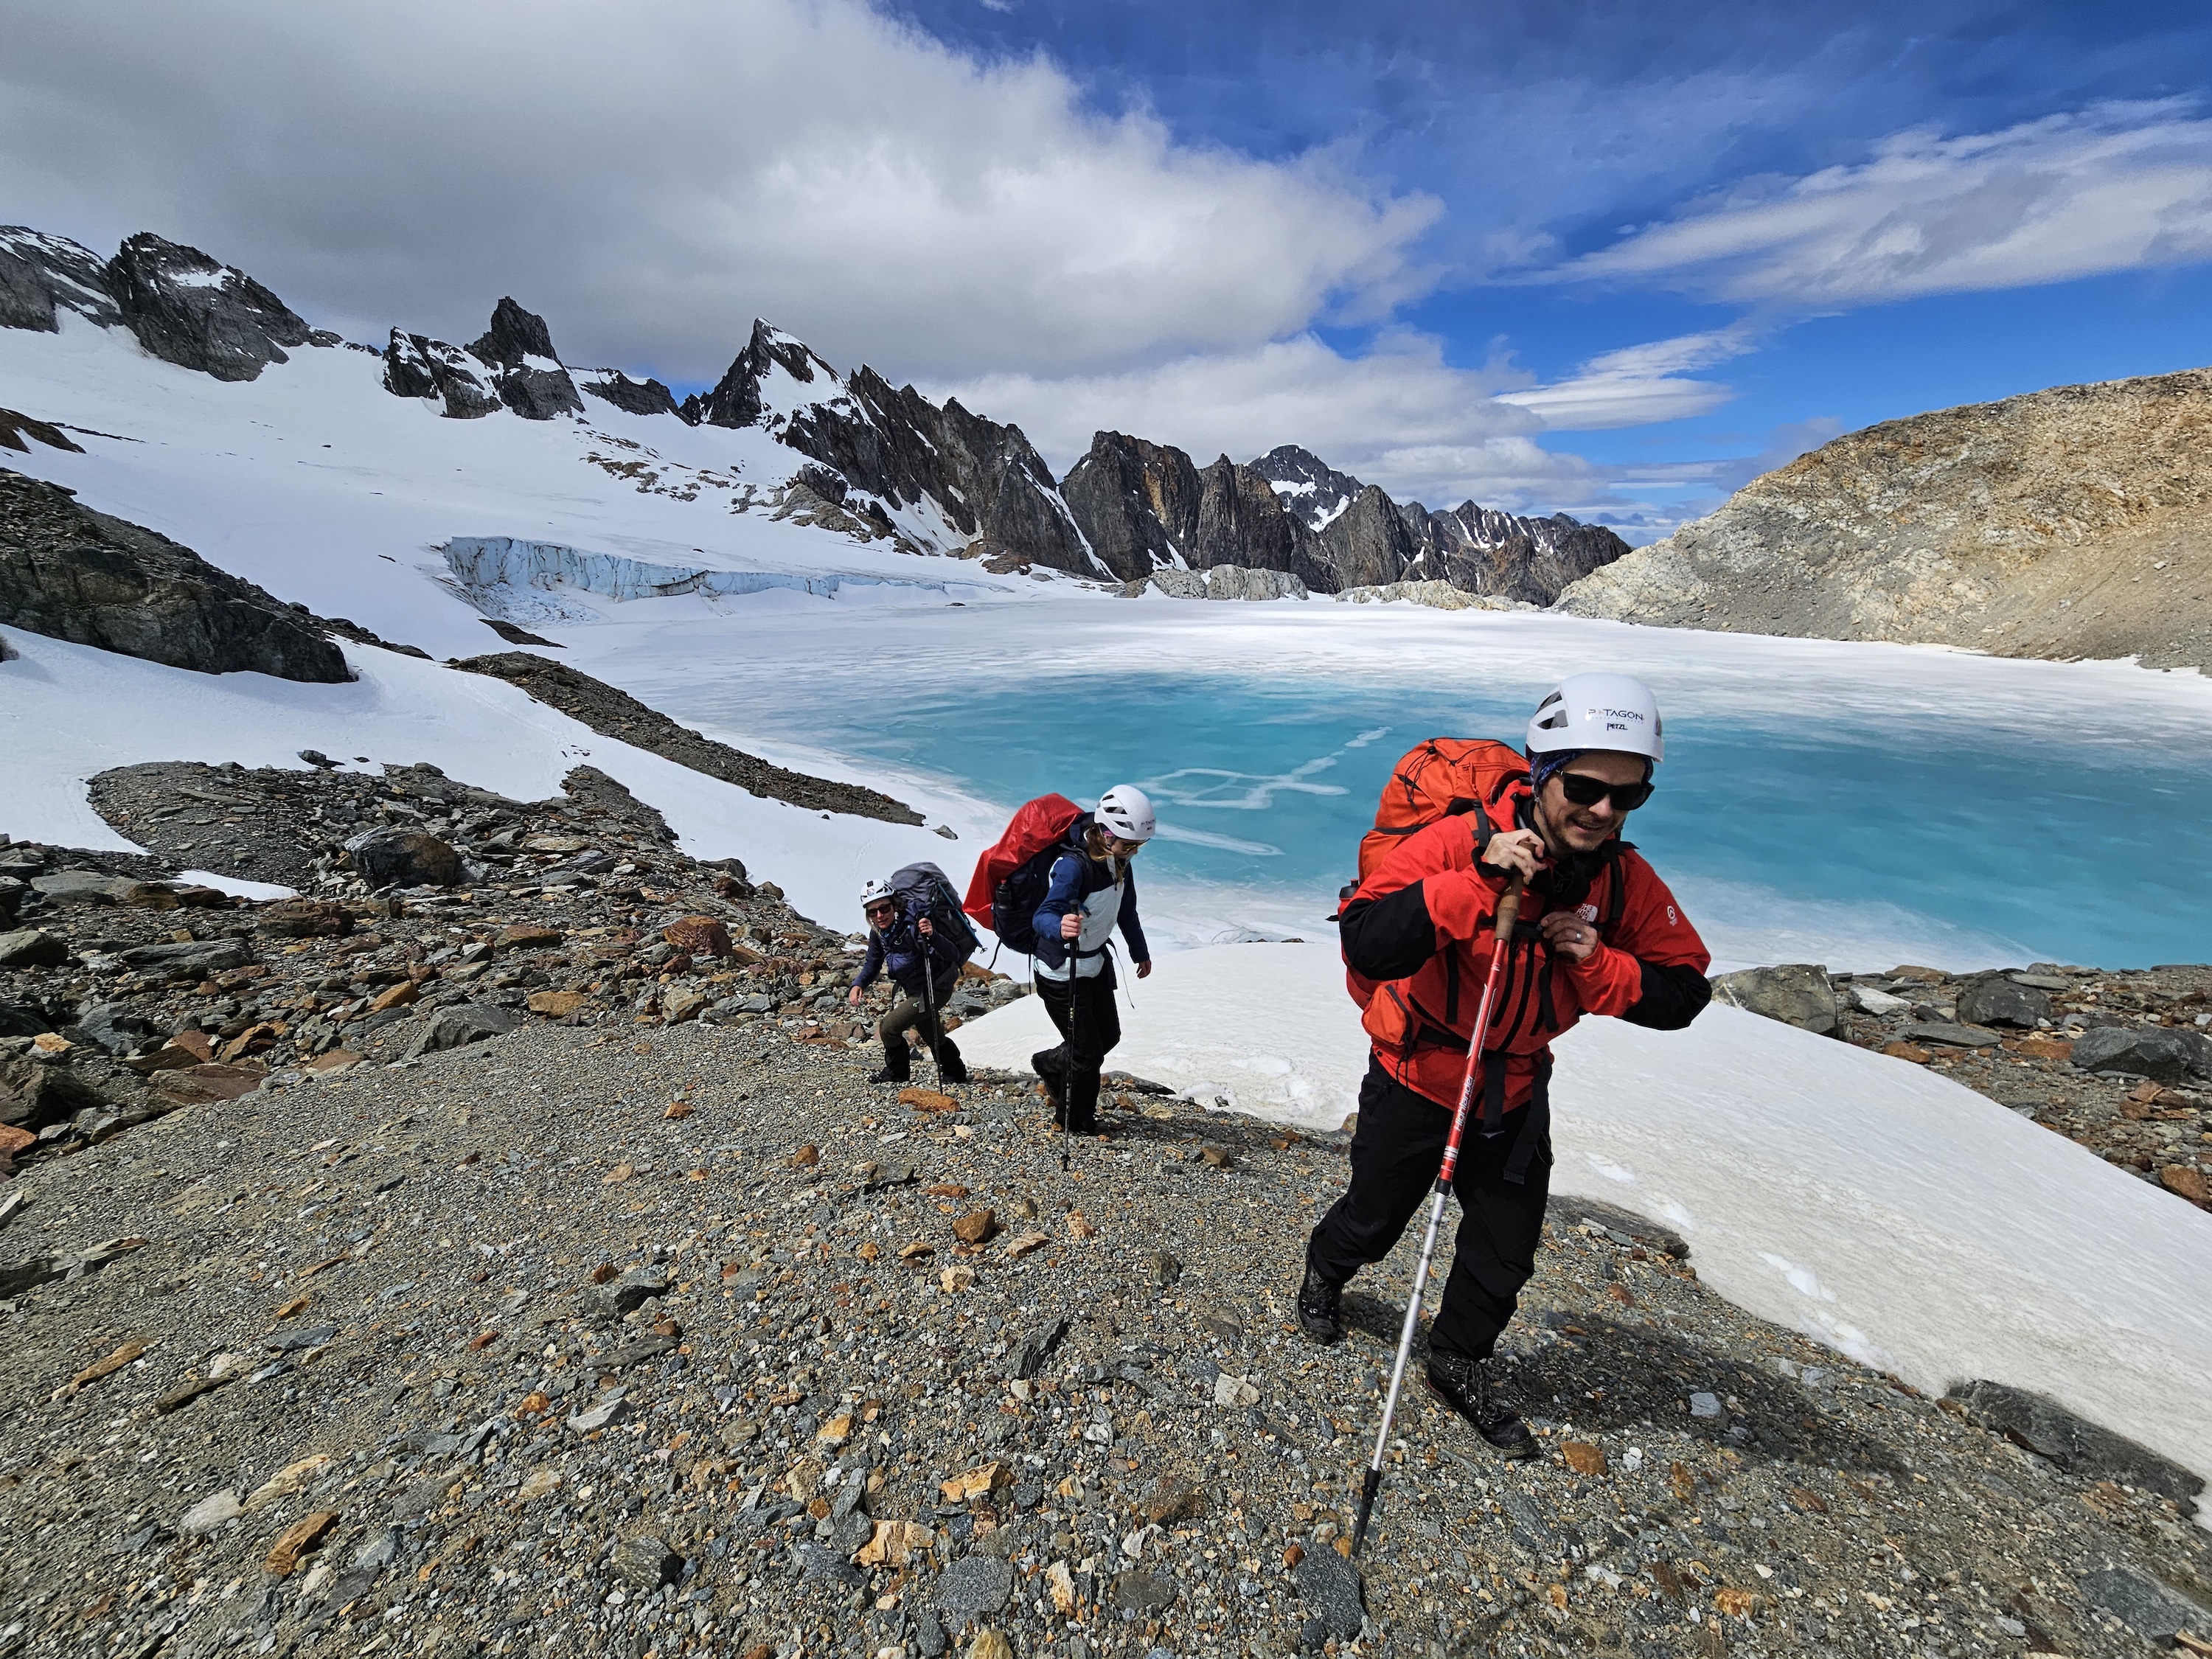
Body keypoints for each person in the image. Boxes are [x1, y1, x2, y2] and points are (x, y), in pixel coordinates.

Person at [1303, 673, 1712, 1458]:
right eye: (1586, 788)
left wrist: (1600, 965)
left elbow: (1683, 990)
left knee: (1505, 1246)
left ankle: (1456, 1358)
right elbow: (1367, 938)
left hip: (1515, 1087)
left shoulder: (1620, 879)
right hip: (1417, 1074)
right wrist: (1477, 881)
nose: (1604, 811)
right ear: (1544, 772)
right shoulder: (1460, 841)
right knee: (1376, 1215)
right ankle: (1327, 1268)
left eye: (1629, 797)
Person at [1030, 785, 1156, 1134]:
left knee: (1109, 1035)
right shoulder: (1073, 867)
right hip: (1060, 971)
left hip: (1095, 962)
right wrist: (1061, 925)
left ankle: (1049, 1063)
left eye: (1138, 847)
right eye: (1128, 845)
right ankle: (1076, 1121)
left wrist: (1140, 952)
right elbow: (1043, 916)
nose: (1133, 853)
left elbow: (1126, 910)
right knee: (1086, 1054)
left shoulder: (1120, 863)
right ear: (1104, 832)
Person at [849, 877, 967, 1085]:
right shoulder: (879, 931)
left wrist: (933, 936)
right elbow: (873, 962)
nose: (879, 915)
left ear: (894, 904)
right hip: (914, 990)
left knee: (888, 1028)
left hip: (934, 987)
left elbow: (952, 954)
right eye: (872, 911)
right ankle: (955, 1072)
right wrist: (858, 984)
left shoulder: (914, 925)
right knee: (931, 1035)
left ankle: (897, 1073)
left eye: (884, 908)